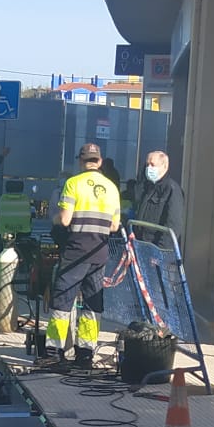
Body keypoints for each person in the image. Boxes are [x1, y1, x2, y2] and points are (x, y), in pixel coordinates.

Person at [46, 142, 120, 368]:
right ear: (99, 161)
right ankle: (85, 353)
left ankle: (54, 351)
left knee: (62, 300)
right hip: (99, 253)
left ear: (81, 160)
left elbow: (66, 220)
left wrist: (56, 220)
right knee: (92, 302)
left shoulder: (73, 184)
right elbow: (115, 226)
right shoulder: (111, 187)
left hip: (76, 251)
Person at [134, 150, 186, 248]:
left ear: (165, 167)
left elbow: (173, 225)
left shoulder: (172, 189)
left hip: (157, 249)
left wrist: (160, 252)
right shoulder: (147, 188)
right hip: (141, 245)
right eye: (147, 165)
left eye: (152, 165)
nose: (149, 168)